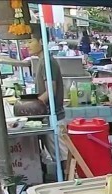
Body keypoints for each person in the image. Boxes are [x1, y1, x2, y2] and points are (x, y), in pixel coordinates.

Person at [26, 25, 68, 173]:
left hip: (53, 116)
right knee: (57, 155)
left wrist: (31, 105)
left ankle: (70, 183)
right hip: (48, 116)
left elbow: (50, 91)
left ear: (41, 41)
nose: (27, 45)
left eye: (30, 41)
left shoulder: (47, 62)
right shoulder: (42, 60)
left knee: (62, 157)